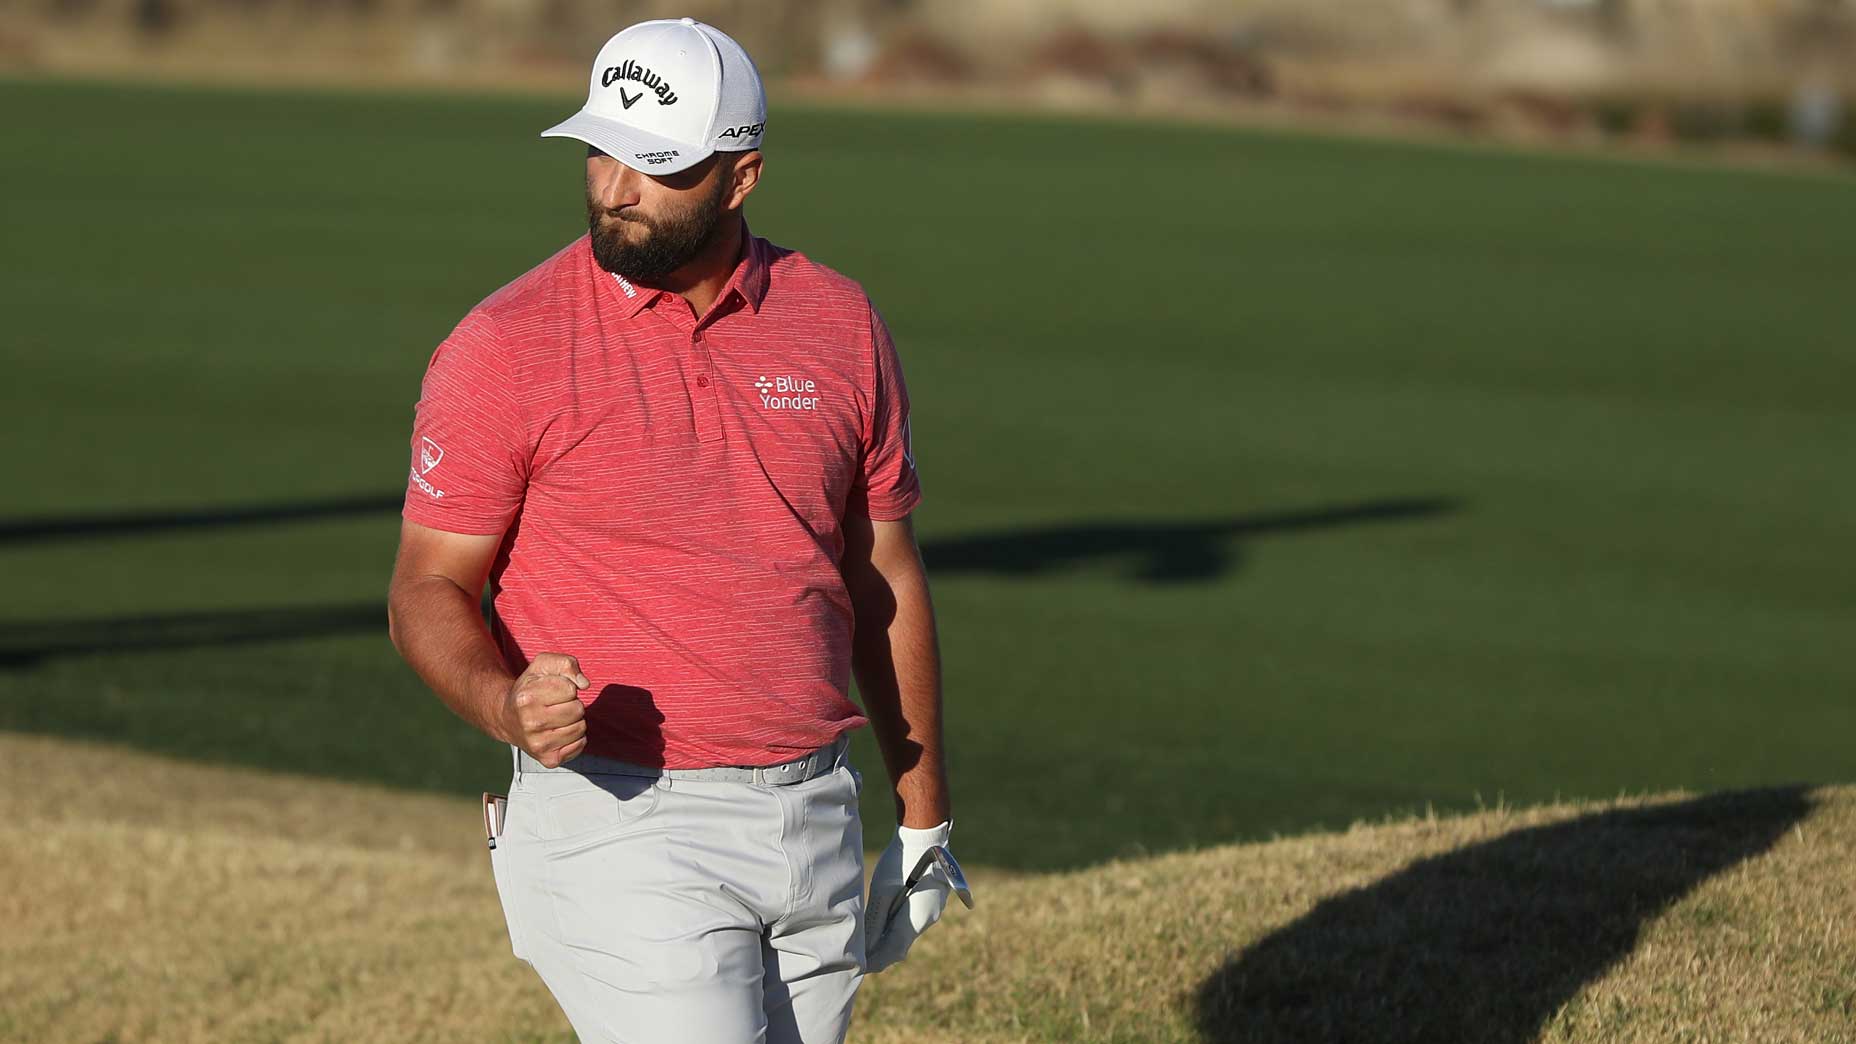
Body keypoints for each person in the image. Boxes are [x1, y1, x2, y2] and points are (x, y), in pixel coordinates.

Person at [384, 17, 958, 1043]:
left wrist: (924, 817)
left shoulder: (839, 322)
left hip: (813, 810)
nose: (614, 186)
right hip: (618, 820)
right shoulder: (501, 347)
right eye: (601, 149)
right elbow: (425, 586)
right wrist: (503, 702)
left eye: (655, 164)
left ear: (741, 178)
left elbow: (883, 576)